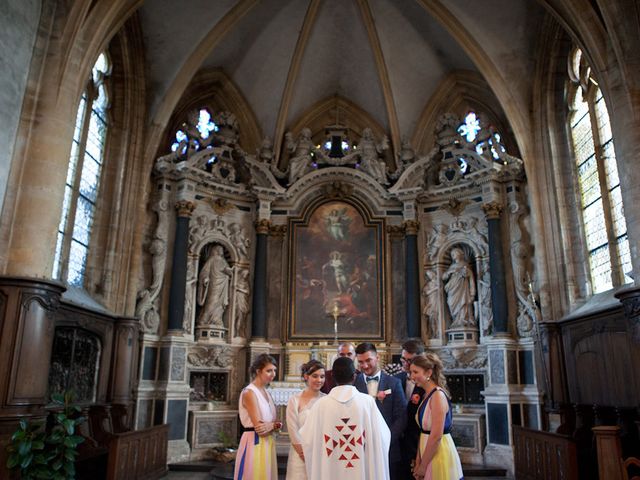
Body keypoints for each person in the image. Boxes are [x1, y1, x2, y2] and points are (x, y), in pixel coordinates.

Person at [299, 357, 390, 480]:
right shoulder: (367, 402)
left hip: (330, 471)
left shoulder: (321, 405)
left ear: (332, 376)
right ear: (354, 376)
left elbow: (308, 440)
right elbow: (383, 437)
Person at [354, 343, 406, 480]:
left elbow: (401, 417)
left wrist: (385, 440)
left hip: (388, 449)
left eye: (368, 360)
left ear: (377, 357)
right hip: (361, 449)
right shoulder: (353, 385)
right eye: (360, 362)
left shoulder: (394, 383)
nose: (364, 366)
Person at [409, 354, 463, 480]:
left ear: (428, 372)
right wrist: (418, 459)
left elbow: (436, 436)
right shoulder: (426, 394)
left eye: (415, 372)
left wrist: (423, 466)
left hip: (438, 453)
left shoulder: (437, 396)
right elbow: (423, 432)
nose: (412, 377)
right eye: (411, 372)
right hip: (426, 452)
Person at [234, 354, 281, 480]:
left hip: (268, 441)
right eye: (269, 370)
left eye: (274, 370)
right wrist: (275, 425)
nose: (273, 374)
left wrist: (273, 425)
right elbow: (260, 428)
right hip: (254, 441)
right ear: (258, 371)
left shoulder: (266, 392)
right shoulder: (249, 392)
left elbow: (274, 424)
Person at [286, 360, 326, 479]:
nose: (319, 380)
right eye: (315, 376)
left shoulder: (327, 400)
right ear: (306, 376)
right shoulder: (295, 400)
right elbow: (292, 429)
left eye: (322, 376)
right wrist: (303, 453)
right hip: (299, 454)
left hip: (321, 453)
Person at [394, 341, 426, 480]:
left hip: (417, 442)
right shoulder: (396, 380)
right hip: (398, 444)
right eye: (403, 359)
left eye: (410, 360)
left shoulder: (426, 386)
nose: (405, 364)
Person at [197, 244, 233, 327]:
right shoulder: (212, 259)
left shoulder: (223, 261)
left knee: (219, 305)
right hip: (213, 285)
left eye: (222, 249)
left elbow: (227, 270)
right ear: (215, 250)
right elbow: (204, 271)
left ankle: (217, 320)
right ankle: (203, 320)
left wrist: (230, 271)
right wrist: (205, 278)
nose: (221, 251)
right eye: (219, 249)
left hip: (222, 286)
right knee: (211, 302)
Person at [442, 247, 476, 328]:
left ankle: (463, 320)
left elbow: (470, 277)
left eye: (455, 253)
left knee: (463, 304)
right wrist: (450, 272)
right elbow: (443, 277)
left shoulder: (465, 265)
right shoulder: (451, 266)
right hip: (452, 289)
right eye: (452, 254)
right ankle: (455, 320)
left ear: (460, 254)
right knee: (450, 302)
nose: (453, 255)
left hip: (463, 289)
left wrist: (472, 293)